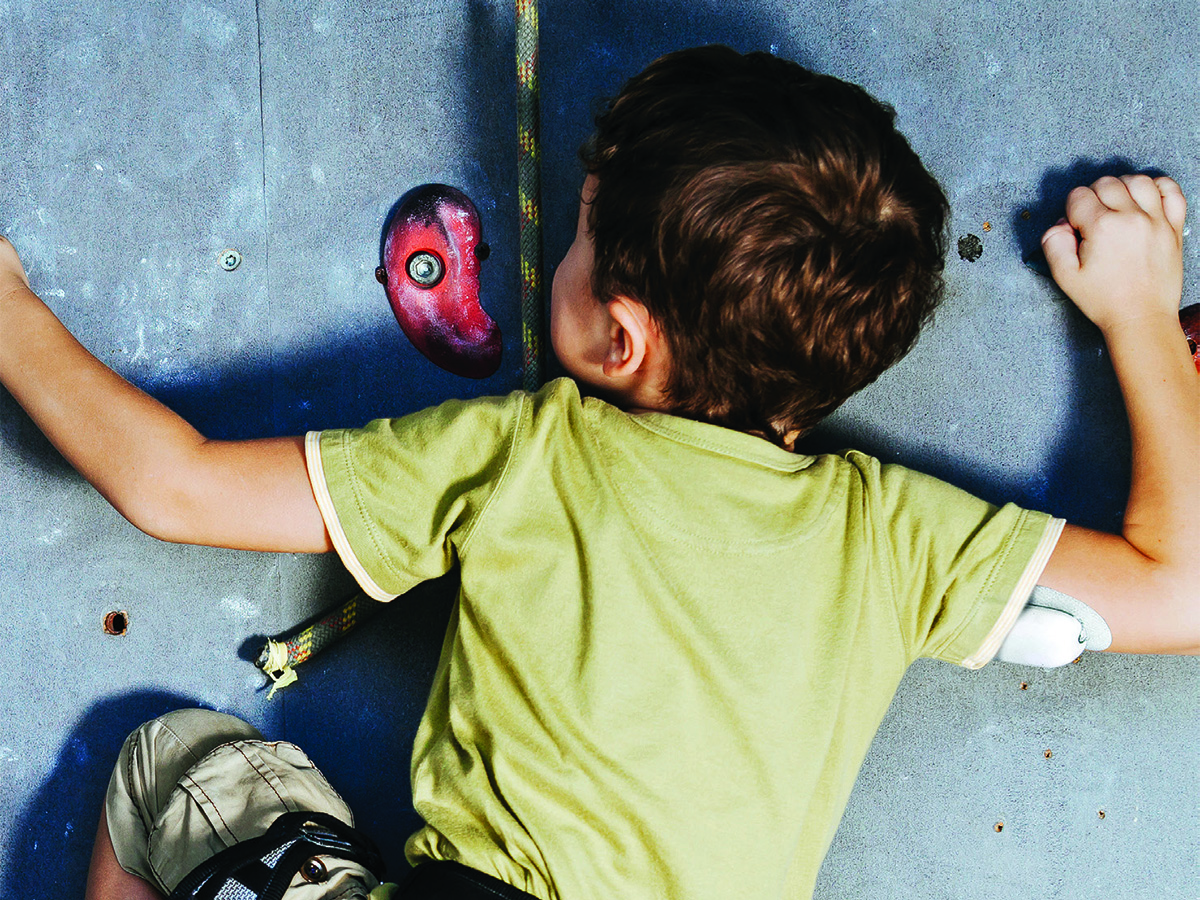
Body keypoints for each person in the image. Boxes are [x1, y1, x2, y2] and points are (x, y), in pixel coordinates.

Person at [1, 45, 1195, 900]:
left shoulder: (530, 452)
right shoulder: (894, 536)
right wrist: (1140, 312)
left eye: (575, 233)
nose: (556, 253)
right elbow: (1179, 587)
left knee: (176, 769)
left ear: (617, 338)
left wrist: (9, 315)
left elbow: (175, 485)